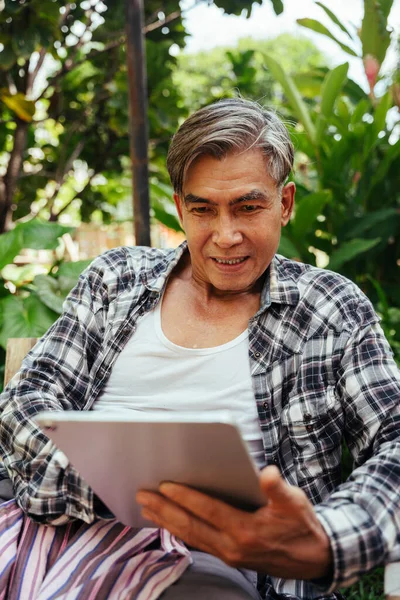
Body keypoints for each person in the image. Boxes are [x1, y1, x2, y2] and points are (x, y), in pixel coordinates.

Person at [0, 98, 398, 600]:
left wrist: (329, 539)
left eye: (248, 207)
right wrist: (113, 488)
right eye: (203, 209)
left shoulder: (328, 309)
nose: (225, 236)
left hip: (212, 568)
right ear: (180, 207)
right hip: (56, 527)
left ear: (286, 203)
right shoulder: (115, 280)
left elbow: (396, 438)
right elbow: (26, 400)